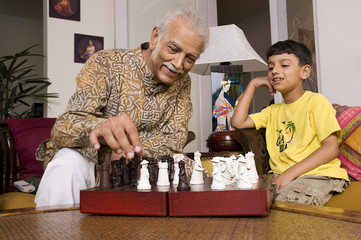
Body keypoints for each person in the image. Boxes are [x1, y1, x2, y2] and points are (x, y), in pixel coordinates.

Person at [35, 6, 209, 207]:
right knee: (68, 163)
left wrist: (129, 151)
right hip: (92, 167)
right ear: (155, 38)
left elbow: (174, 141)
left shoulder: (183, 82)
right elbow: (63, 128)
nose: (178, 64)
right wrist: (100, 129)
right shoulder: (106, 63)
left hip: (141, 172)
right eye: (173, 49)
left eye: (190, 58)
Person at [231, 40, 349, 206]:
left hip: (317, 175)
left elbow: (330, 148)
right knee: (246, 203)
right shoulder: (272, 111)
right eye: (271, 67)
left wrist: (288, 175)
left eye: (284, 65)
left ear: (304, 72)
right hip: (282, 177)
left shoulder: (316, 102)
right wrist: (252, 84)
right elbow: (238, 122)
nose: (275, 71)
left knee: (284, 205)